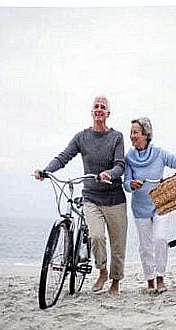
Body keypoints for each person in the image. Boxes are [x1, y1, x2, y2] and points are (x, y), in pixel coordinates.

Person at [34, 96, 128, 296]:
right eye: (96, 107)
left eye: (103, 107)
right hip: (91, 197)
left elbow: (120, 165)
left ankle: (115, 283)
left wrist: (108, 174)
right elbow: (64, 157)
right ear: (92, 112)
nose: (99, 110)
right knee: (96, 236)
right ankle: (102, 271)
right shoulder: (81, 138)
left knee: (118, 244)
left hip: (114, 198)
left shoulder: (116, 137)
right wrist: (46, 171)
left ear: (108, 113)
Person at [123, 117, 176, 293]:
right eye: (131, 132)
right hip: (139, 207)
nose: (132, 136)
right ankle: (150, 280)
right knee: (145, 247)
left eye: (135, 132)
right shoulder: (129, 158)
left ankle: (160, 277)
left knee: (160, 239)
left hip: (161, 203)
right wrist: (132, 184)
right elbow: (126, 183)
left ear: (146, 134)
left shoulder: (159, 153)